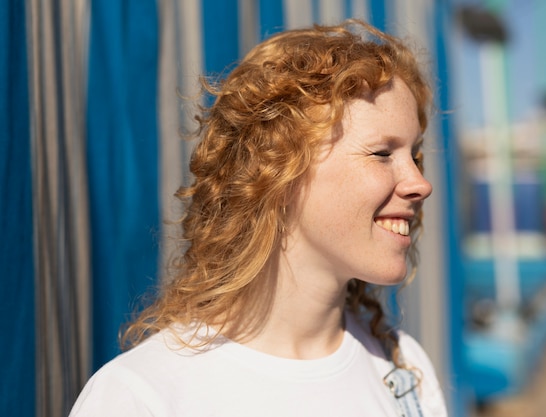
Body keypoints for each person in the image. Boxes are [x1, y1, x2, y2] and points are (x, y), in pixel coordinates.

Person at [70, 19, 448, 417]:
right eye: (382, 153)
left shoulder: (405, 367)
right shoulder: (143, 397)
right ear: (277, 169)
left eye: (416, 155)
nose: (421, 184)